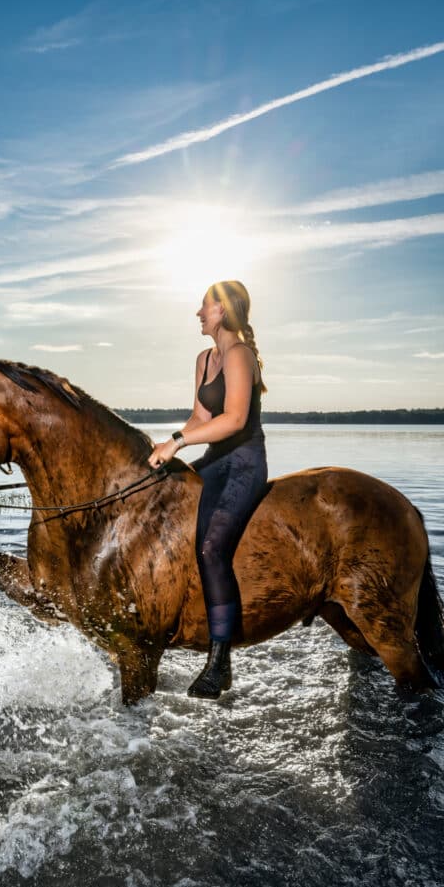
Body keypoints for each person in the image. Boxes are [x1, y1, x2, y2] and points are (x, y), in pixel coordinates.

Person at [148, 280, 268, 699]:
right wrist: (168, 445)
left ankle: (220, 664)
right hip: (215, 461)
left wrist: (179, 442)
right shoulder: (204, 359)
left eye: (204, 306)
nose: (198, 313)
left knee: (211, 548)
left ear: (224, 310)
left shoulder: (240, 355)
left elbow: (234, 419)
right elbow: (200, 417)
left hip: (245, 463)